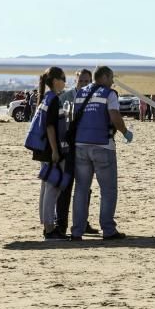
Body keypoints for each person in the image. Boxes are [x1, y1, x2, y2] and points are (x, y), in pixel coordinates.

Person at [70, 65, 132, 241]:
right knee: (108, 190)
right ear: (104, 77)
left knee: (81, 189)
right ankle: (108, 229)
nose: (113, 81)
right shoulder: (108, 94)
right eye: (111, 78)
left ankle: (77, 231)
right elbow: (114, 116)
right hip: (103, 146)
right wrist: (125, 132)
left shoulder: (80, 93)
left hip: (81, 145)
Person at [55, 68, 98, 237]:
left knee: (84, 188)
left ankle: (82, 222)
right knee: (65, 188)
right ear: (75, 82)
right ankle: (61, 225)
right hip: (68, 149)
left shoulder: (95, 98)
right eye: (81, 81)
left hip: (86, 148)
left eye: (87, 82)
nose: (84, 85)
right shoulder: (65, 98)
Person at [27, 66, 68, 240]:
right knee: (52, 188)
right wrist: (55, 152)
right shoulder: (53, 99)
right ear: (56, 80)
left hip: (42, 149)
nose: (65, 83)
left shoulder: (45, 98)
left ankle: (46, 224)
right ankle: (50, 228)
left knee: (46, 187)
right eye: (64, 79)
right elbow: (51, 127)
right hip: (49, 149)